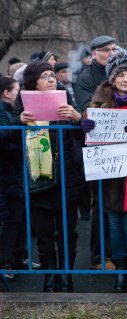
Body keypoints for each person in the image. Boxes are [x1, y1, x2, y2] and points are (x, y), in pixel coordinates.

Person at [82, 48, 127, 293]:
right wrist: (86, 121)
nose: (126, 79)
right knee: (114, 226)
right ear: (112, 78)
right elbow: (90, 112)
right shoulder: (101, 94)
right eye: (121, 74)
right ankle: (121, 272)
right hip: (109, 171)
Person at [16, 61, 83, 292]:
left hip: (67, 178)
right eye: (45, 76)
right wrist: (19, 123)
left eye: (52, 75)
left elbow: (87, 131)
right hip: (38, 178)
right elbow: (9, 139)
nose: (51, 79)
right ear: (34, 81)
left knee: (68, 232)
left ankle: (67, 275)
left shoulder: (64, 98)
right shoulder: (22, 103)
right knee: (44, 235)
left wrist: (76, 117)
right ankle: (49, 275)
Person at [75, 35, 117, 271]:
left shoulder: (117, 73)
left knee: (120, 201)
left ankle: (120, 252)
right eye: (106, 50)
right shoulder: (86, 77)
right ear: (94, 53)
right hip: (98, 147)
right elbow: (86, 108)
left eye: (113, 49)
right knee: (101, 203)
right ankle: (99, 256)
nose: (111, 53)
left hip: (120, 144)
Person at [0, 77, 40, 282]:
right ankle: (4, 261)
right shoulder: (3, 111)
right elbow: (5, 135)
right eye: (17, 91)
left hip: (17, 170)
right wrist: (19, 123)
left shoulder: (11, 111)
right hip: (8, 172)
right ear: (7, 93)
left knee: (23, 215)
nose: (20, 95)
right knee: (12, 218)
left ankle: (20, 257)